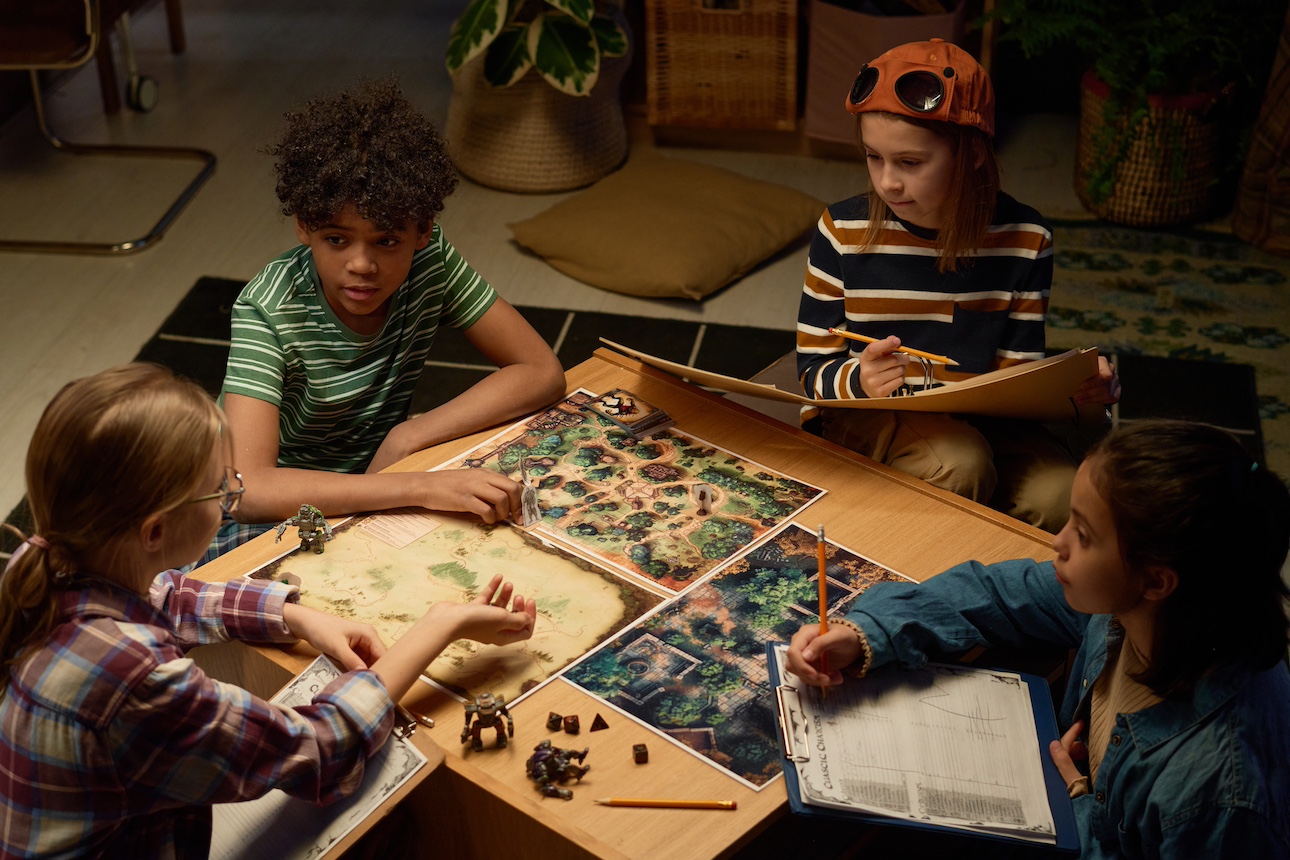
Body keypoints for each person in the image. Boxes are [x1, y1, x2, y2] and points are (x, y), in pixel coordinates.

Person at [0, 363, 538, 858]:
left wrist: (295, 616)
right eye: (219, 488)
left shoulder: (48, 557)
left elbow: (168, 593)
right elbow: (319, 750)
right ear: (155, 532)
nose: (231, 493)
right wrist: (441, 625)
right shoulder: (135, 675)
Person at [787, 420, 1290, 858]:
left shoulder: (1218, 793)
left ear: (1157, 580)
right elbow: (996, 592)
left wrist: (1079, 805)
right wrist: (867, 633)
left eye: (1084, 535)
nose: (1057, 541)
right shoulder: (1145, 609)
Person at [210, 77, 566, 560]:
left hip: (379, 478)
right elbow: (248, 490)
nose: (361, 264)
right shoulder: (267, 309)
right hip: (269, 509)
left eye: (387, 241)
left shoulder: (432, 261)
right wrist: (416, 486)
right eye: (337, 239)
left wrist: (408, 435)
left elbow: (540, 371)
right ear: (304, 226)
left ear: (423, 232)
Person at [796, 39, 1120, 531]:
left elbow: (1018, 376)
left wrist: (1077, 389)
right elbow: (811, 370)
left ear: (971, 155)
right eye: (873, 157)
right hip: (872, 411)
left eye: (910, 162)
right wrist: (859, 378)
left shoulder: (1026, 238)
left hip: (987, 419)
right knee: (960, 463)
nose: (887, 182)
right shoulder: (841, 231)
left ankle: (988, 566)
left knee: (1059, 495)